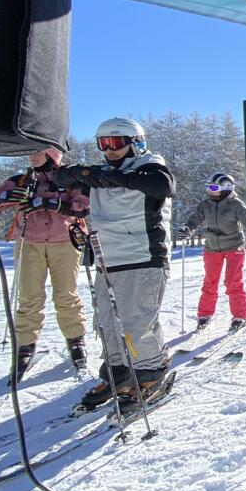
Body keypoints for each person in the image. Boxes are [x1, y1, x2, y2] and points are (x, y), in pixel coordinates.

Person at [54, 118, 175, 409]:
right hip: (107, 258)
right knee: (107, 321)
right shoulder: (101, 174)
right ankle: (118, 371)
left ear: (136, 142)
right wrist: (85, 175)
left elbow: (162, 185)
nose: (110, 150)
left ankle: (151, 371)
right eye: (103, 144)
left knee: (137, 321)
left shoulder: (150, 166)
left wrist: (102, 177)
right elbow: (61, 179)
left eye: (117, 143)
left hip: (143, 257)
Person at [0, 148, 88, 382]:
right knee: (29, 296)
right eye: (30, 152)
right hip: (29, 242)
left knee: (66, 295)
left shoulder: (70, 177)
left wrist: (47, 203)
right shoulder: (21, 179)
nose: (32, 156)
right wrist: (7, 198)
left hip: (64, 241)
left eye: (38, 152)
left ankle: (75, 339)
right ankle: (25, 344)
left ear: (52, 154)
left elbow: (83, 206)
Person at [177, 173, 246, 333]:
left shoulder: (235, 204)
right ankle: (205, 315)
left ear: (226, 188)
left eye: (214, 188)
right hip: (212, 247)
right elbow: (195, 219)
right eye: (208, 187)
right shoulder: (205, 204)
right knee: (210, 281)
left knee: (233, 281)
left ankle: (240, 316)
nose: (209, 191)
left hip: (234, 247)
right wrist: (187, 229)